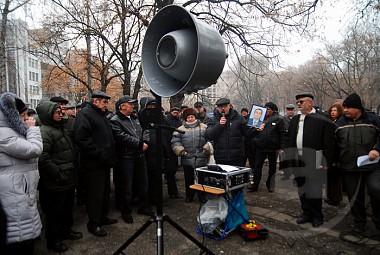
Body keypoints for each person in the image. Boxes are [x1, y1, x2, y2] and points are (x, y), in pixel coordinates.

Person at [36, 101, 82, 253]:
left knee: (67, 208)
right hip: (56, 181)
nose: (61, 114)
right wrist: (58, 175)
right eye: (57, 112)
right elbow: (43, 158)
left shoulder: (59, 128)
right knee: (54, 212)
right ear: (48, 115)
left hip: (67, 178)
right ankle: (53, 240)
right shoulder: (45, 132)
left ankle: (66, 231)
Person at [0, 92, 43, 255]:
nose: (27, 119)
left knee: (25, 234)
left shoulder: (12, 131)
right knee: (18, 238)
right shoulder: (3, 134)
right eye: (23, 115)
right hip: (13, 193)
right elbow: (34, 149)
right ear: (11, 115)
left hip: (21, 192)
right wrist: (32, 130)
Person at [285, 92, 336, 228]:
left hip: (315, 159)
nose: (299, 104)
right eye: (298, 103)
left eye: (301, 102)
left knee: (314, 189)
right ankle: (306, 212)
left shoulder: (322, 118)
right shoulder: (295, 119)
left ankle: (317, 215)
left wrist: (326, 161)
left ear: (310, 103)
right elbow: (290, 138)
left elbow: (329, 142)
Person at [74, 91, 117, 237]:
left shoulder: (101, 115)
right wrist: (100, 154)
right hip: (93, 164)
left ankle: (102, 217)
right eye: (104, 102)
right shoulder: (85, 114)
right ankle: (94, 224)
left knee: (104, 193)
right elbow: (82, 139)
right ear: (96, 101)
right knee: (95, 195)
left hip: (103, 163)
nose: (107, 105)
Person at [335, 93, 380, 234]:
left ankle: (378, 223)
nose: (346, 110)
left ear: (358, 108)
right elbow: (333, 144)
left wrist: (377, 149)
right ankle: (359, 223)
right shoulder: (339, 124)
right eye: (344, 107)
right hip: (349, 167)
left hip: (372, 166)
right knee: (355, 197)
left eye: (348, 107)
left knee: (376, 192)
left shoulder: (374, 120)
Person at [110, 95, 154, 224]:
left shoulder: (135, 118)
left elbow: (145, 130)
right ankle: (126, 210)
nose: (133, 106)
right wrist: (139, 144)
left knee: (142, 182)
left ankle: (143, 206)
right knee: (126, 186)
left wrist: (145, 141)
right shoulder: (115, 120)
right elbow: (121, 136)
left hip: (139, 155)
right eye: (130, 104)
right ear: (122, 106)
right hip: (126, 157)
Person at [171, 108, 210, 203]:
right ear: (185, 118)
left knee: (202, 179)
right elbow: (175, 142)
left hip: (201, 157)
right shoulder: (180, 129)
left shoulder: (204, 127)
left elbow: (211, 138)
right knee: (188, 179)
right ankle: (189, 195)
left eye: (192, 116)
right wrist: (181, 151)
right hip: (187, 157)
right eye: (188, 117)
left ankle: (202, 196)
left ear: (195, 117)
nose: (190, 119)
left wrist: (207, 147)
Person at [248, 102, 287, 193]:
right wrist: (255, 141)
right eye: (265, 108)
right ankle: (255, 185)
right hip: (260, 147)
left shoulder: (279, 119)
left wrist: (282, 147)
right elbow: (252, 130)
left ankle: (270, 185)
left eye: (268, 109)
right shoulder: (259, 118)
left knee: (272, 168)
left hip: (273, 148)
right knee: (257, 167)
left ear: (273, 110)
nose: (266, 110)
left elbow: (283, 134)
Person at [205, 98, 251, 166]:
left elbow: (248, 133)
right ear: (217, 108)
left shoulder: (239, 118)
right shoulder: (213, 120)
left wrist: (256, 130)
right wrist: (219, 125)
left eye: (225, 106)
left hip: (237, 157)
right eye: (220, 107)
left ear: (229, 106)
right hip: (220, 158)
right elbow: (209, 135)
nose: (223, 109)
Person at [324, 103, 344, 206]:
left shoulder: (341, 123)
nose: (333, 112)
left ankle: (336, 198)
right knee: (329, 176)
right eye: (332, 110)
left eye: (335, 110)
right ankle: (330, 196)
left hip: (337, 154)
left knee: (335, 178)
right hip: (330, 154)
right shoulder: (331, 121)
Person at [280, 103, 297, 180]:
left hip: (295, 141)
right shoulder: (283, 119)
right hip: (286, 141)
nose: (290, 112)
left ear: (294, 110)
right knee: (284, 158)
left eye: (292, 110)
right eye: (288, 110)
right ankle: (286, 173)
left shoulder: (297, 118)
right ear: (286, 110)